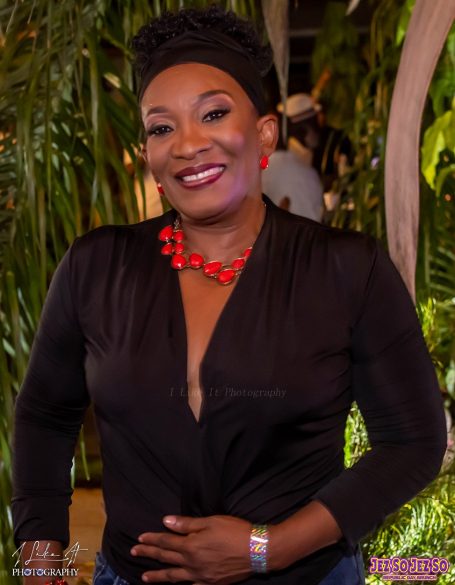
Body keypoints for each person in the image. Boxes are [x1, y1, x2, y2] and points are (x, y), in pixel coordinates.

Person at [11, 6, 447, 585]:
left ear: (264, 133)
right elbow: (44, 416)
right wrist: (39, 564)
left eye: (213, 114)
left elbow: (412, 441)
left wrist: (271, 548)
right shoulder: (97, 265)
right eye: (161, 128)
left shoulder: (346, 268)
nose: (187, 144)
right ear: (148, 156)